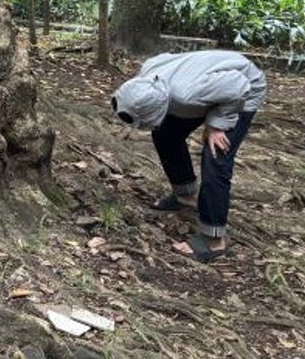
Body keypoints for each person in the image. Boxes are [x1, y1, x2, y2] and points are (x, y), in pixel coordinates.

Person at [110, 50, 267, 262]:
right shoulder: (148, 74)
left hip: (243, 89)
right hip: (210, 90)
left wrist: (217, 125)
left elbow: (238, 86)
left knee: (216, 156)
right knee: (165, 134)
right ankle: (186, 195)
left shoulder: (187, 95)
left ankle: (214, 240)